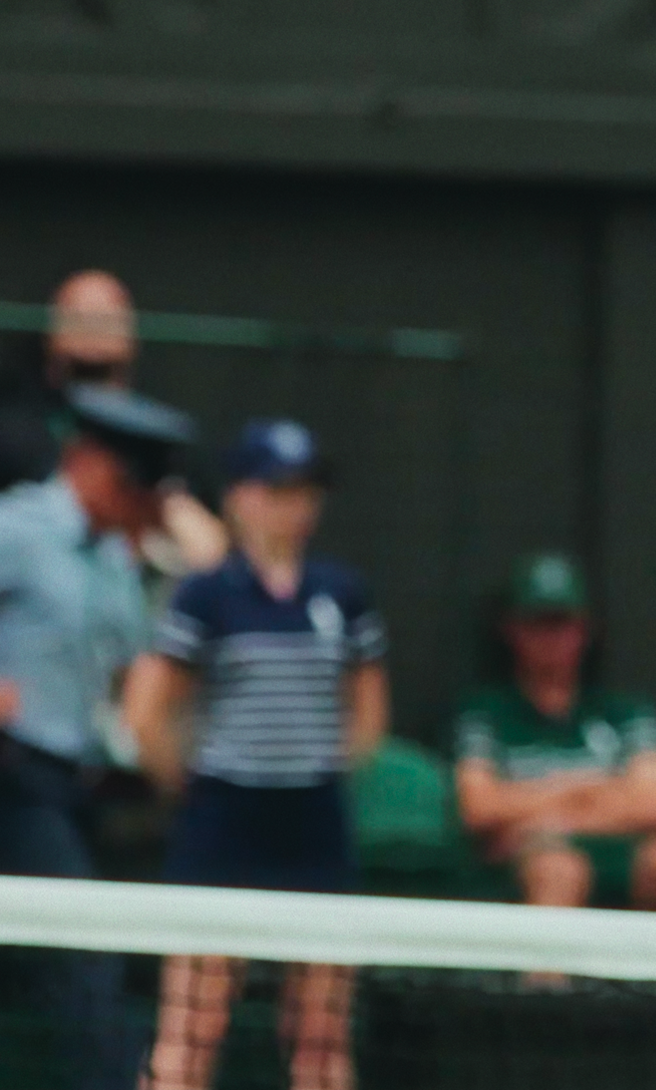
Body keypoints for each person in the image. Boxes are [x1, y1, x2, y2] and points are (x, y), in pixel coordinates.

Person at [122, 419, 389, 1090]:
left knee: (322, 1038)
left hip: (314, 826)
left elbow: (368, 708)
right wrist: (186, 781)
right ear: (240, 495)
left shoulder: (343, 594)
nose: (293, 505)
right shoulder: (206, 595)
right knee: (191, 1027)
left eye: (305, 490)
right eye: (277, 489)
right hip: (222, 826)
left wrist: (324, 768)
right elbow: (147, 709)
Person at [0, 384, 194, 1090]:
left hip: (76, 788)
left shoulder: (117, 560)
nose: (133, 498)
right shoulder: (16, 528)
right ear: (82, 458)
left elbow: (129, 672)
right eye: (126, 479)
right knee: (83, 959)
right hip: (13, 779)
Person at [453, 553, 656, 915]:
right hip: (531, 856)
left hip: (619, 851)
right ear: (511, 629)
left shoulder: (625, 712)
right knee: (559, 869)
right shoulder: (484, 713)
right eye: (538, 624)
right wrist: (592, 789)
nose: (552, 638)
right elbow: (480, 807)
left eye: (563, 623)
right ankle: (544, 974)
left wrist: (545, 807)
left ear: (585, 629)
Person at [0, 270, 224, 572]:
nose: (93, 329)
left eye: (106, 316)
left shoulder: (158, 435)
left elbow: (210, 552)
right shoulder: (14, 429)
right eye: (79, 316)